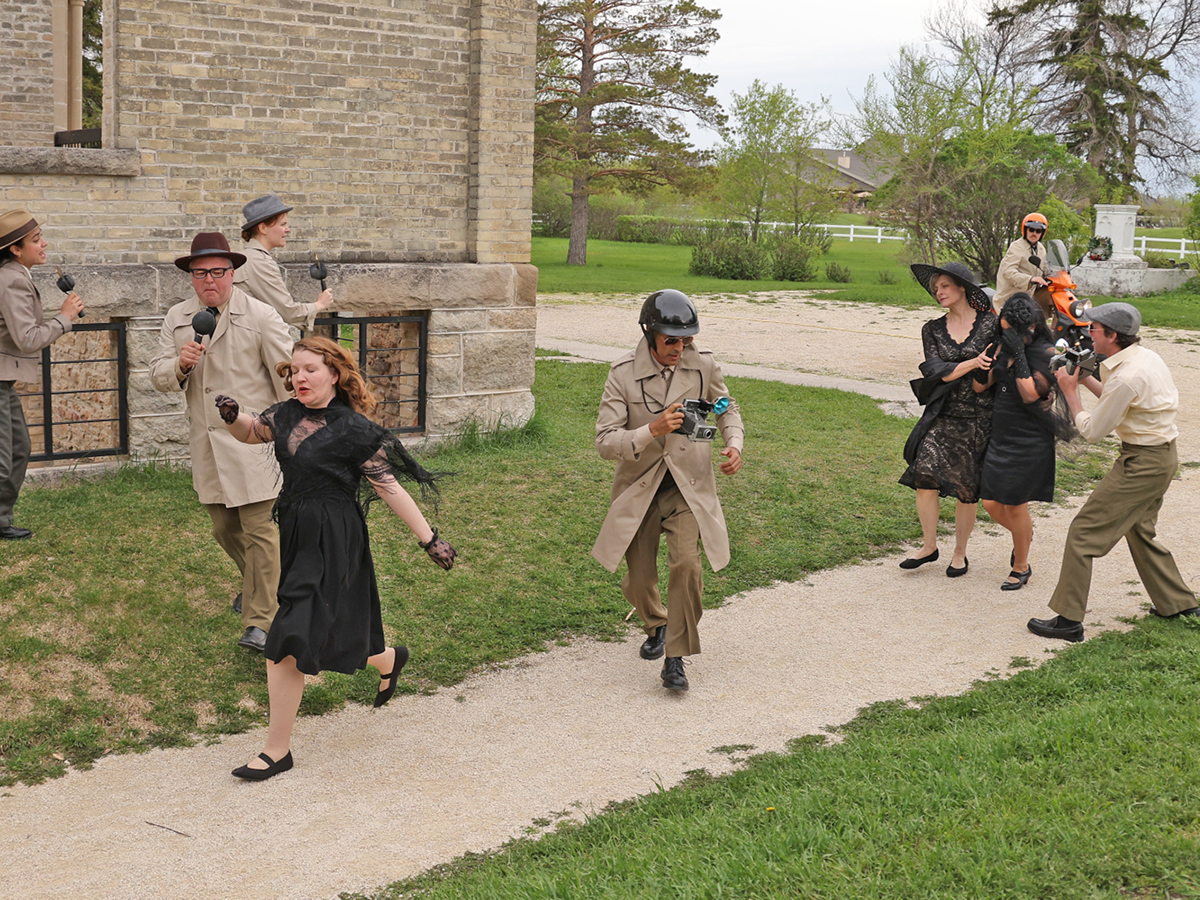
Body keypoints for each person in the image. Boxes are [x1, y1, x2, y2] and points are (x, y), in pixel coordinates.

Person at [215, 336, 456, 780]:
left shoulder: (353, 429)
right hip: (296, 533)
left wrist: (429, 539)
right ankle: (385, 659)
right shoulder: (285, 414)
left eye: (310, 369)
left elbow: (388, 486)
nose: (299, 377)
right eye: (294, 370)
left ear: (334, 375)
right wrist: (234, 418)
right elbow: (253, 432)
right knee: (318, 635)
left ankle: (276, 751)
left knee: (286, 641)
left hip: (335, 538)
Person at [592, 289, 744, 693]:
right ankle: (656, 623)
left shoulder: (704, 365)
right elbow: (606, 442)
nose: (680, 348)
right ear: (649, 334)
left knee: (687, 566)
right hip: (639, 487)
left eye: (687, 339)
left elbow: (726, 406)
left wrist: (734, 444)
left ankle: (675, 658)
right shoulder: (622, 373)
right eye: (671, 341)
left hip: (688, 486)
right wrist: (651, 430)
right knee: (639, 580)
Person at [149, 232, 294, 652]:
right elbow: (157, 375)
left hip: (254, 441)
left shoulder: (261, 315)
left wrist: (294, 433)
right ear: (191, 277)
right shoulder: (178, 318)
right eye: (200, 273)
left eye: (218, 271)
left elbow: (286, 378)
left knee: (260, 528)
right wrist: (179, 364)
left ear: (233, 273)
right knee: (223, 527)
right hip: (208, 444)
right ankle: (267, 586)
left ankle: (261, 622)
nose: (209, 280)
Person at [1029, 303, 1200, 641]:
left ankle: (1069, 621)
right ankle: (1178, 603)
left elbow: (1093, 430)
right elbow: (1115, 397)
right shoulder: (1143, 357)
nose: (1087, 332)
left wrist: (1069, 390)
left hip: (1143, 463)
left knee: (1083, 533)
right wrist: (1083, 372)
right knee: (1138, 531)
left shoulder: (1127, 376)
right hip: (1161, 457)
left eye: (1093, 329)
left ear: (1112, 335)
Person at [899, 262, 998, 577]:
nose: (938, 292)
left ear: (962, 287)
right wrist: (971, 364)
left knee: (966, 488)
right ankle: (929, 546)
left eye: (944, 286)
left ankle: (960, 553)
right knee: (923, 476)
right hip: (943, 414)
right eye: (935, 288)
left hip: (979, 415)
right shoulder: (932, 328)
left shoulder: (991, 325)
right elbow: (935, 372)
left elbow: (997, 366)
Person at [0, 209, 84, 540]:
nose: (43, 243)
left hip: (4, 381)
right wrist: (64, 318)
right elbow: (28, 338)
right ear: (15, 249)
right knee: (3, 460)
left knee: (18, 449)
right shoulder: (12, 280)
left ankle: (1, 519)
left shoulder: (15, 274)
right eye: (35, 240)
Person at [975, 293, 1067, 590]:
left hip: (1030, 438)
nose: (1008, 335)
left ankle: (1021, 565)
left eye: (1013, 331)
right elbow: (980, 386)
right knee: (990, 502)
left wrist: (1019, 357)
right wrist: (988, 360)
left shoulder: (1047, 351)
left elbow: (1030, 394)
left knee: (1015, 505)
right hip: (1002, 433)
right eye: (1005, 330)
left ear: (1031, 326)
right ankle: (1023, 535)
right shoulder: (1006, 346)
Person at [234, 194, 333, 331]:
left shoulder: (243, 257)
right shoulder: (259, 262)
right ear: (263, 228)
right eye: (282, 224)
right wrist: (319, 304)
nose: (288, 229)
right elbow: (288, 312)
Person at [995, 213, 1052, 314]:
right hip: (1011, 297)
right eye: (1031, 229)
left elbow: (1045, 269)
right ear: (1025, 230)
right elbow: (1008, 272)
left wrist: (1059, 276)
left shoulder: (1041, 248)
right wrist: (1030, 279)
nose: (1034, 233)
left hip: (1030, 296)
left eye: (1038, 231)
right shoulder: (1016, 247)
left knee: (1055, 297)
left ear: (1042, 233)